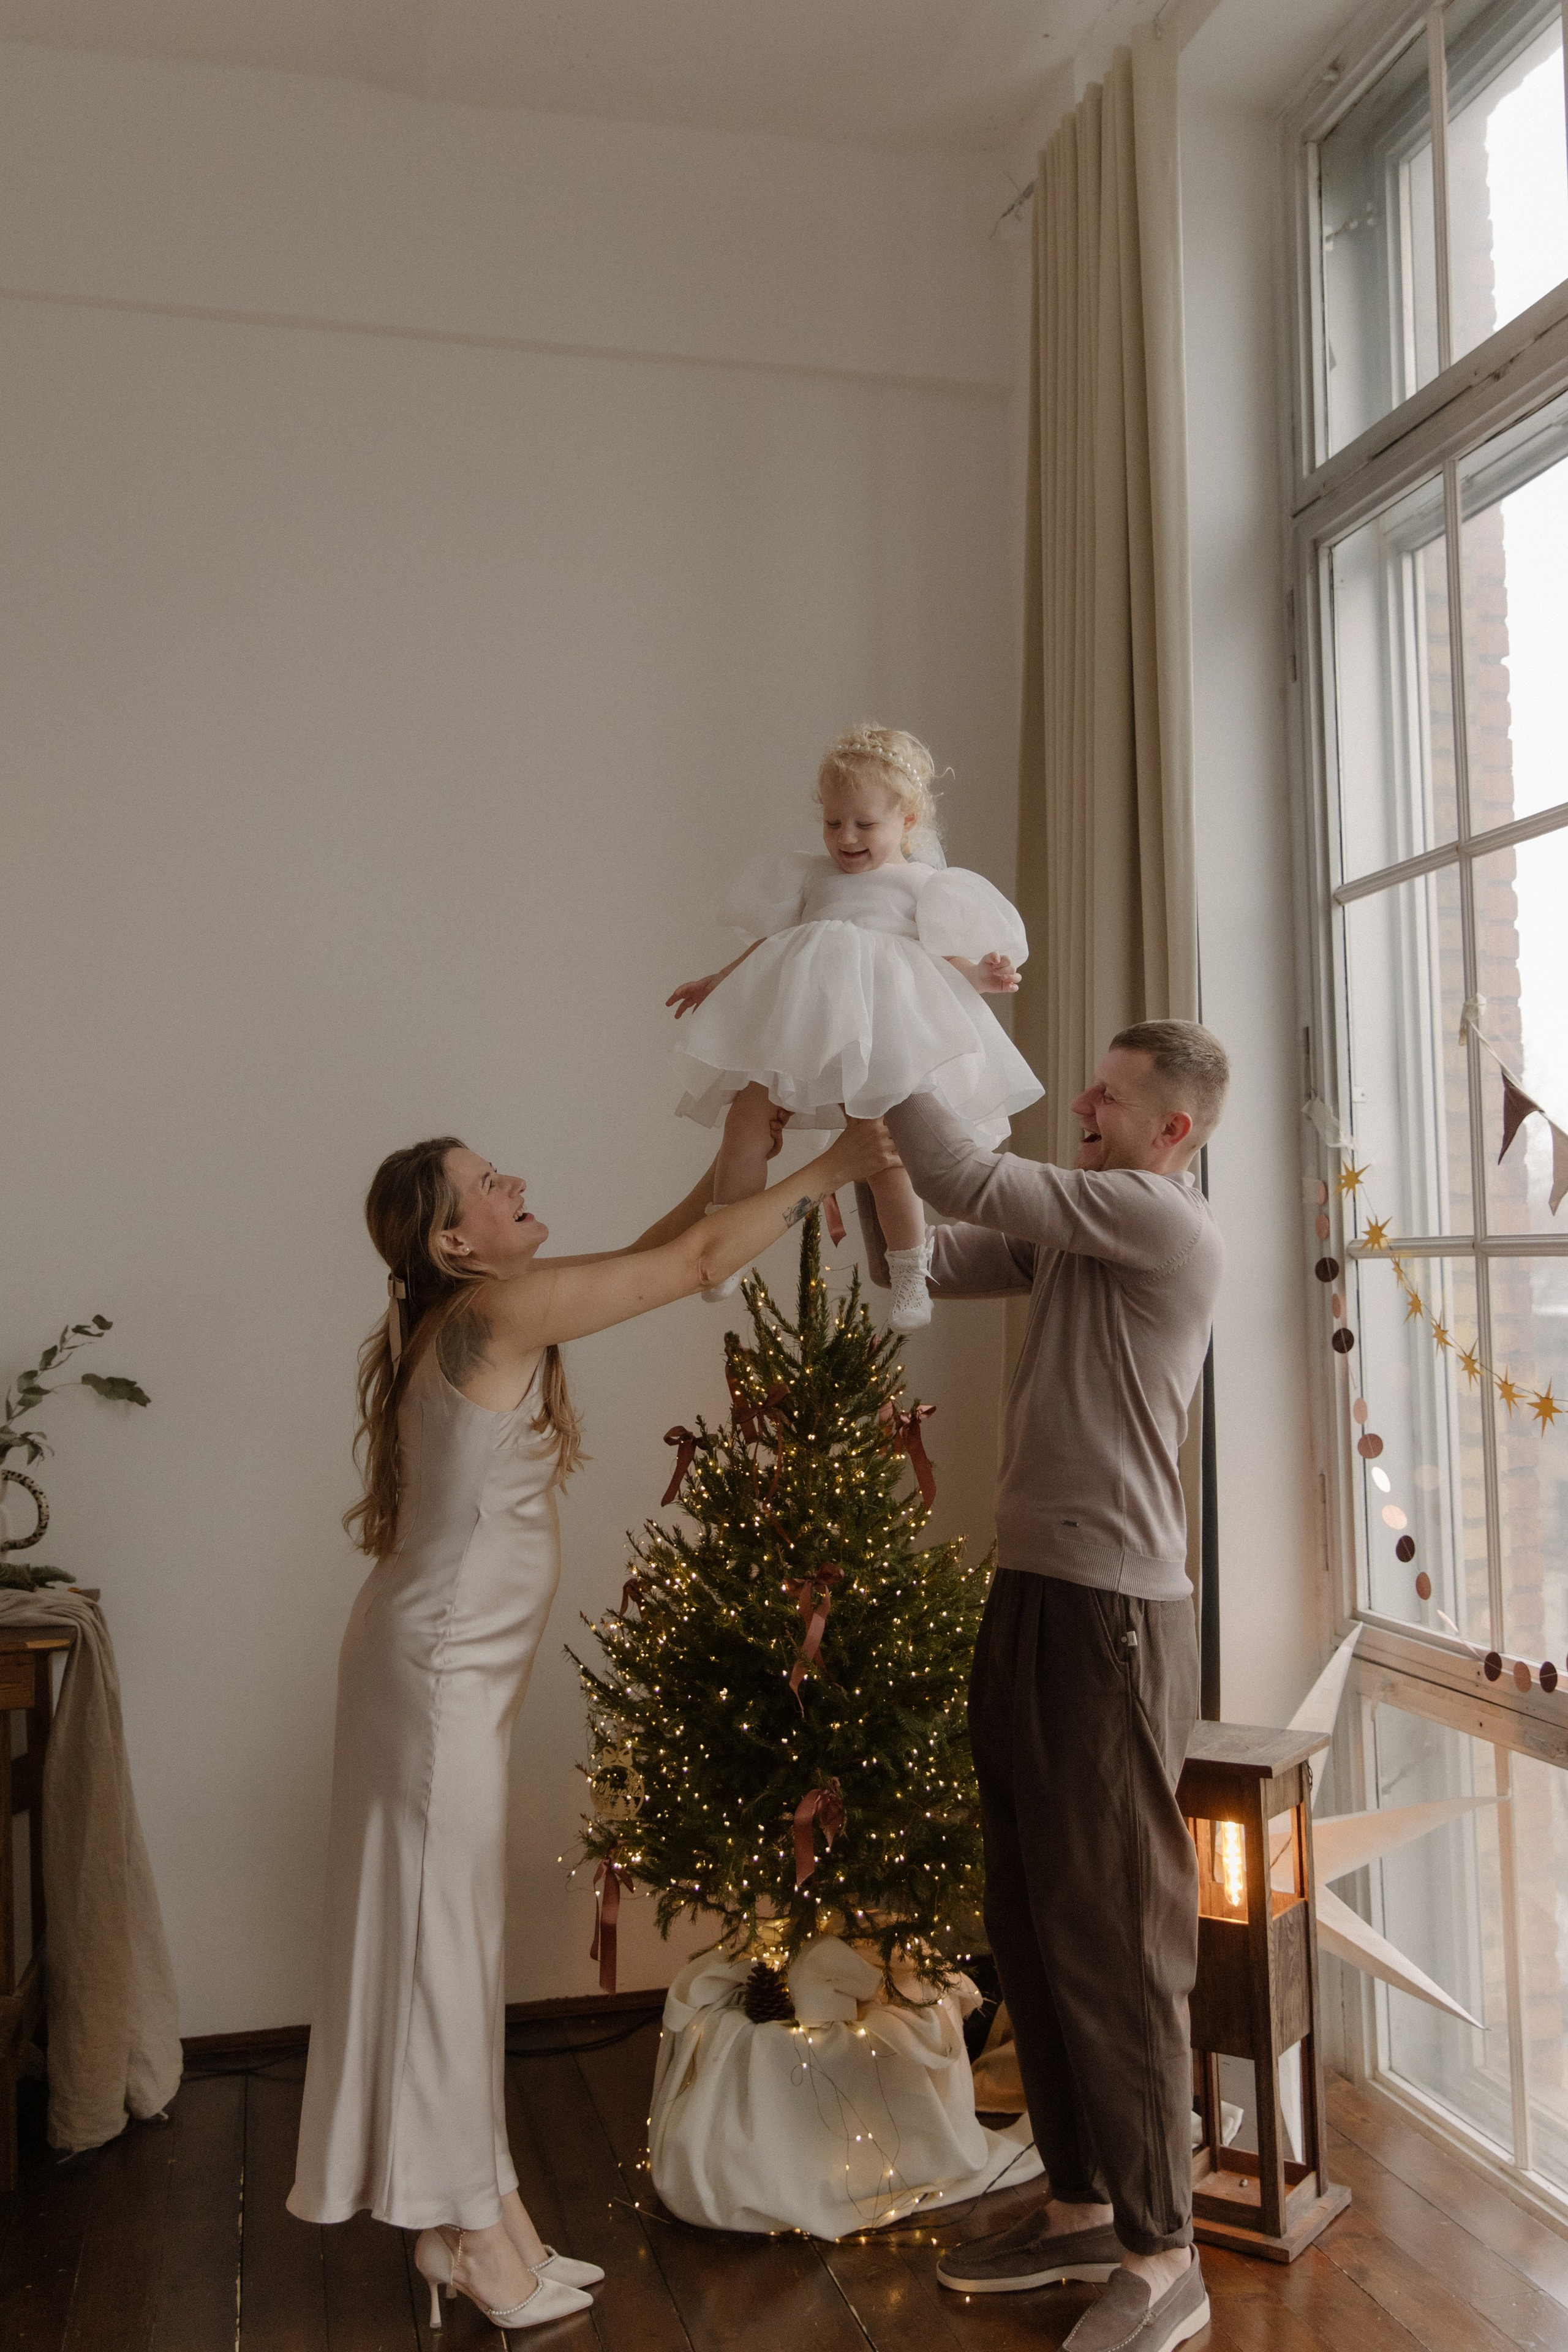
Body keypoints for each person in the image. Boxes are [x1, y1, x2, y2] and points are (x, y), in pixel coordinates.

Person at [288, 1114, 899, 2334]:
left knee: (455, 1939)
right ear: (455, 1243)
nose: (512, 1179)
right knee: (440, 1947)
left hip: (440, 1674)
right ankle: (465, 2234)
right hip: (433, 1681)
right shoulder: (494, 1314)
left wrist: (743, 1142)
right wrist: (840, 1165)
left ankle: (486, 2212)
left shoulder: (491, 1308)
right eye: (484, 1182)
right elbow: (690, 1265)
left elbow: (670, 1251)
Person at [858, 1020, 1228, 2352]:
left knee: (1116, 1939)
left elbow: (965, 1177)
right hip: (1032, 1591)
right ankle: (1079, 2206)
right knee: (1027, 1915)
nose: (1081, 1103)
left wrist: (872, 1027)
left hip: (1110, 1617)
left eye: (1110, 1097)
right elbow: (920, 1254)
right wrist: (867, 1141)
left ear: (1171, 1131)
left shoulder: (1157, 1220)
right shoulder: (1082, 1228)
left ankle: (1164, 2254)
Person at [666, 723, 1040, 1332]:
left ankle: (911, 1268)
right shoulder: (813, 878)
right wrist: (718, 980)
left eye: (864, 824)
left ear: (908, 820)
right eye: (833, 822)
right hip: (800, 1027)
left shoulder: (923, 886)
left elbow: (947, 960)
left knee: (883, 1150)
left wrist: (985, 975)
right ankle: (727, 1242)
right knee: (745, 1123)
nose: (845, 837)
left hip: (878, 1034)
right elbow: (772, 945)